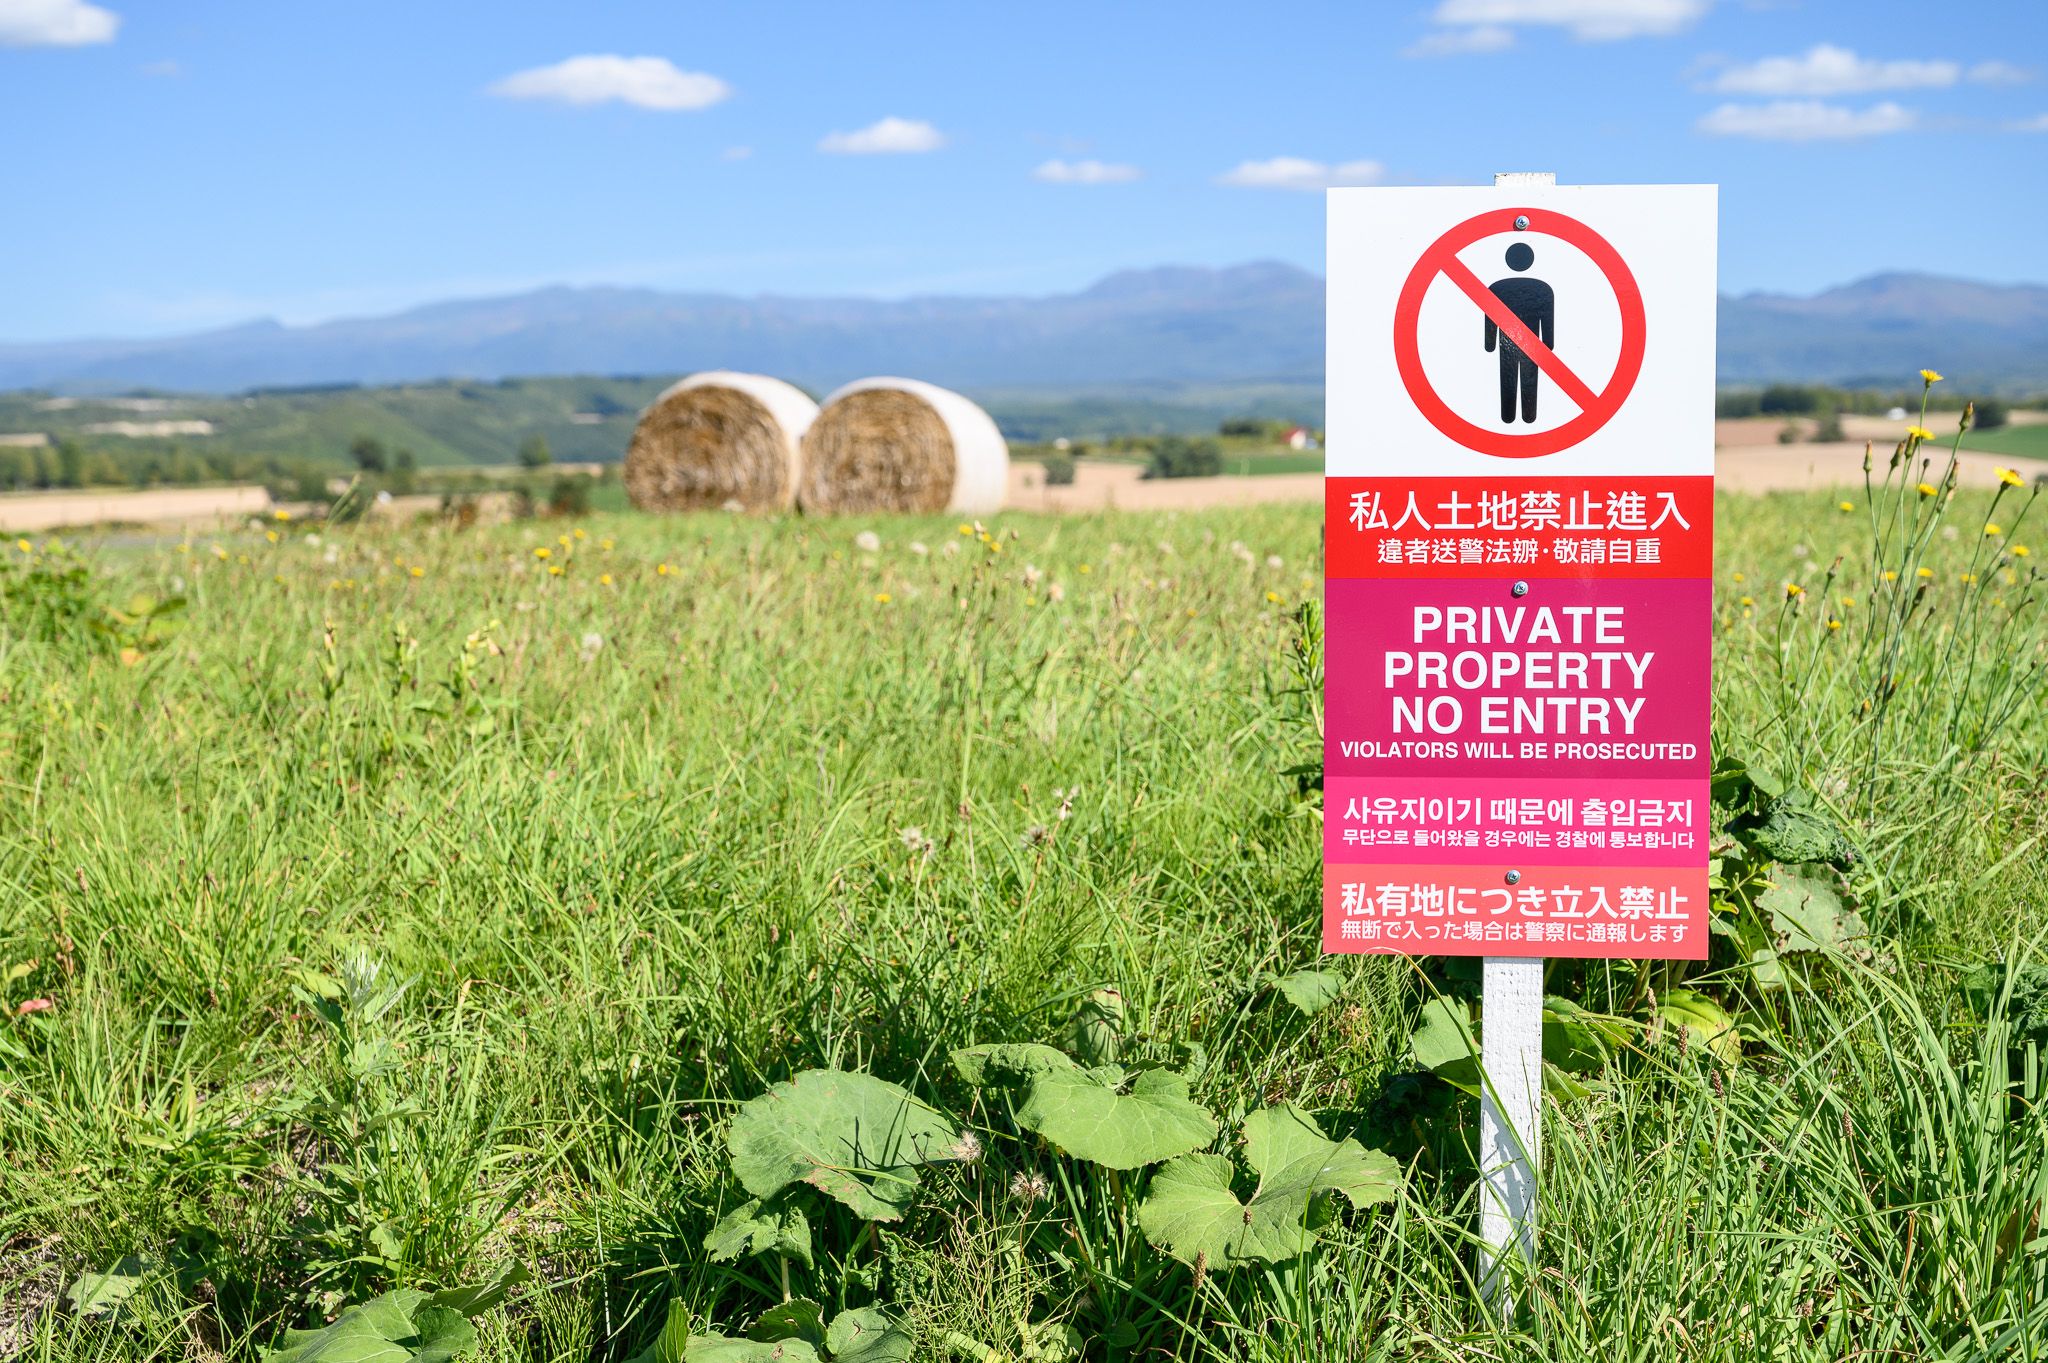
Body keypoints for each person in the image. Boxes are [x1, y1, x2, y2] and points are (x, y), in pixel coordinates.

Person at [1485, 242, 1554, 424]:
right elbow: (1548, 318)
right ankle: (1529, 417)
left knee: (1507, 378)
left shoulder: (1497, 287)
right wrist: (1548, 344)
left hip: (1506, 342)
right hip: (1532, 344)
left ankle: (1507, 416)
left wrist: (1490, 344)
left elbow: (1490, 320)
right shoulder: (1543, 288)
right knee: (1529, 378)